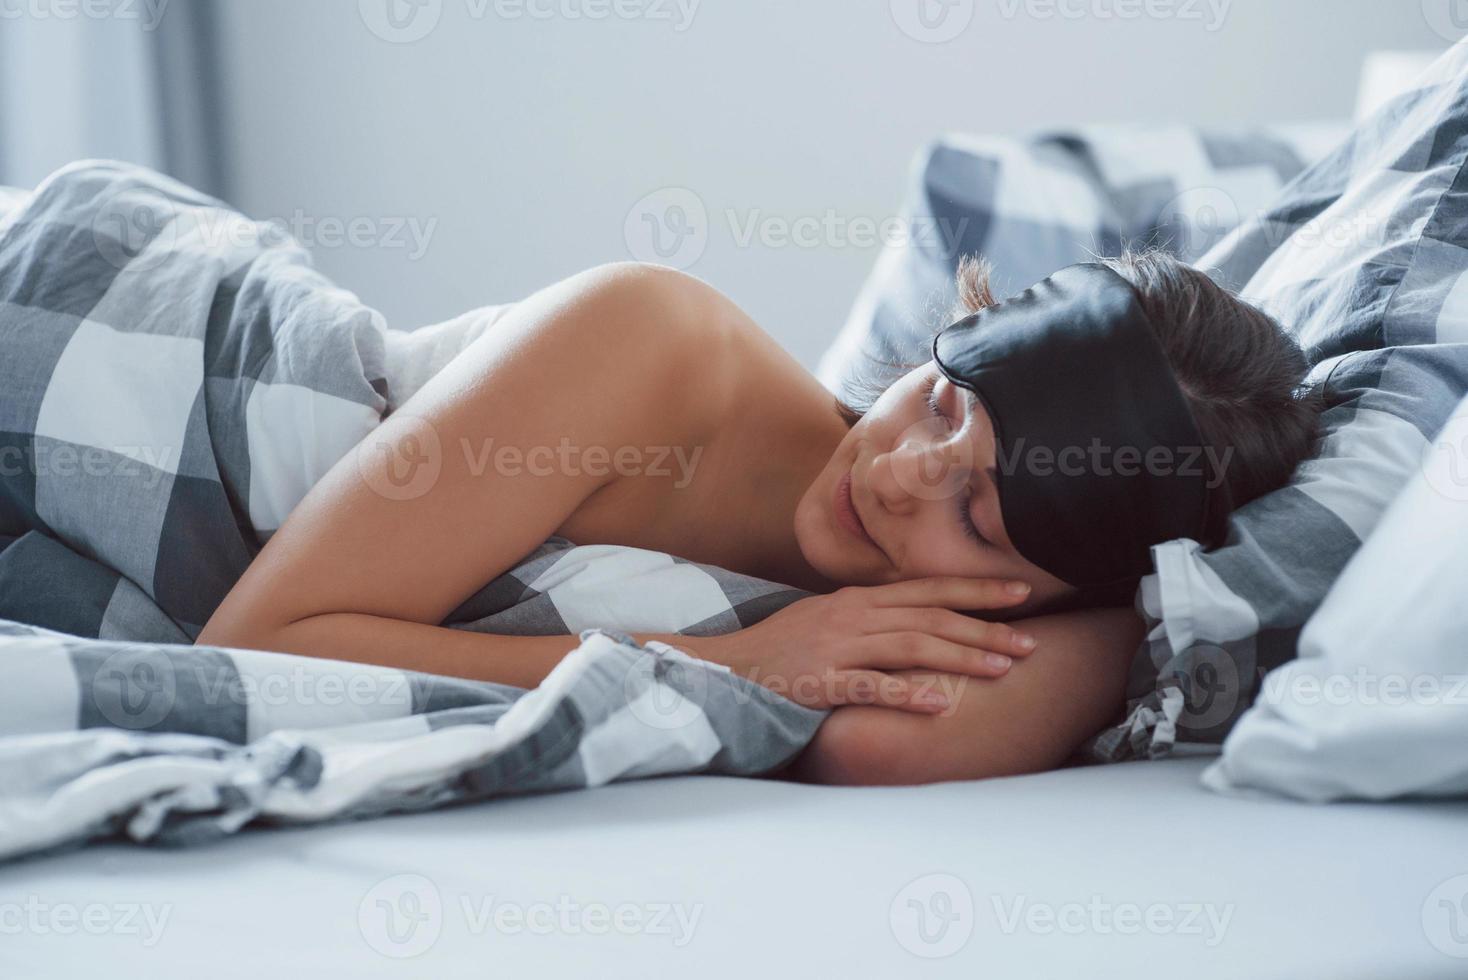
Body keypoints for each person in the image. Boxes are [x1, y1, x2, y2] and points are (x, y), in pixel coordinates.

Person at [198, 251, 1321, 784]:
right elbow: (247, 652)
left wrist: (1124, 614)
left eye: (974, 514)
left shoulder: (981, 616)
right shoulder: (653, 342)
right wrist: (734, 662)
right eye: (938, 398)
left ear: (1049, 595)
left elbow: (886, 740)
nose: (894, 477)